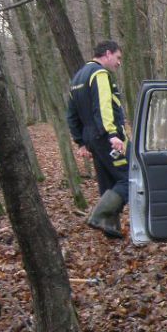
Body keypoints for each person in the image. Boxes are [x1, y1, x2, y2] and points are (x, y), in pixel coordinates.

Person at [66, 40, 128, 239]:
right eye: (118, 58)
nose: (119, 63)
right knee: (129, 178)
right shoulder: (99, 74)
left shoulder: (77, 78)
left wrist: (81, 142)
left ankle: (111, 228)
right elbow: (104, 107)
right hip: (105, 136)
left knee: (107, 181)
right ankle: (100, 216)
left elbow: (71, 114)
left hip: (92, 138)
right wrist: (113, 135)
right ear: (107, 53)